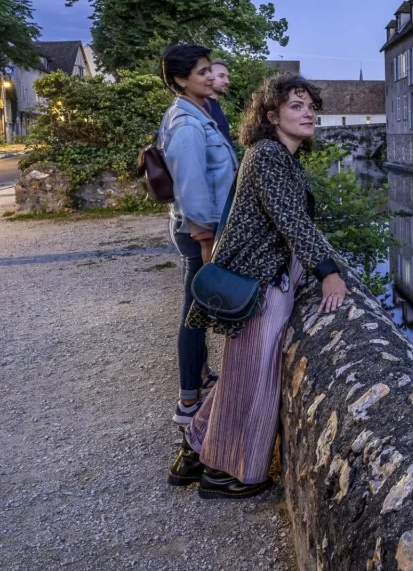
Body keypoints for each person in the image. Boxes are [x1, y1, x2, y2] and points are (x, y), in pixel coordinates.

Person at [168, 73, 349, 498]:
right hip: (258, 283)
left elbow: (292, 221)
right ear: (272, 115)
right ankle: (225, 474)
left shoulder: (280, 156)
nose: (308, 115)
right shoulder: (268, 155)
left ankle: (197, 448)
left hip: (266, 278)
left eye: (311, 108)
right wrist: (330, 272)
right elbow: (292, 221)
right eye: (296, 107)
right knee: (251, 378)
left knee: (239, 373)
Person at [158, 45, 238, 426]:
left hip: (202, 228)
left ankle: (201, 376)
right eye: (202, 71)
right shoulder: (188, 124)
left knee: (197, 307)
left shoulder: (199, 112)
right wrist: (207, 239)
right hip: (199, 232)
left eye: (210, 70)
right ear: (180, 79)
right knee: (195, 314)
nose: (210, 76)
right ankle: (188, 402)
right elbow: (191, 187)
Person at [204, 59, 233, 148]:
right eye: (221, 76)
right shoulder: (203, 107)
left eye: (228, 77)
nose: (227, 81)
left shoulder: (215, 105)